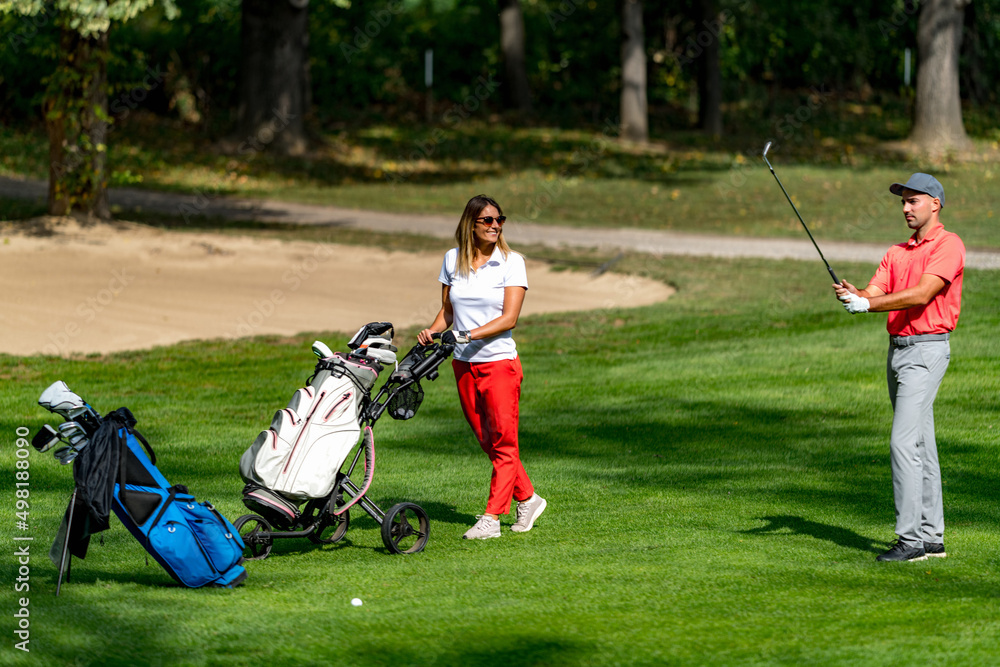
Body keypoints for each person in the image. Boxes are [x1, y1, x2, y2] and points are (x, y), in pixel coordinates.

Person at [835, 173, 965, 562]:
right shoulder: (897, 251)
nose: (906, 208)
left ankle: (909, 542)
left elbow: (924, 293)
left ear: (934, 204)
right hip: (898, 352)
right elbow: (875, 291)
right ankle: (931, 538)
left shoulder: (948, 244)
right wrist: (855, 295)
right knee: (921, 443)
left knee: (902, 442)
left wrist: (870, 305)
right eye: (903, 203)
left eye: (913, 201)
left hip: (926, 352)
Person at [418, 195, 547, 540]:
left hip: (499, 365)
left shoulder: (511, 262)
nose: (495, 226)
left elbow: (509, 319)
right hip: (464, 365)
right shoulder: (452, 259)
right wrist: (433, 331)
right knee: (487, 440)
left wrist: (464, 334)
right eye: (487, 221)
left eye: (499, 220)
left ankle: (492, 518)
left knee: (504, 443)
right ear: (470, 224)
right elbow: (448, 312)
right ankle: (528, 498)